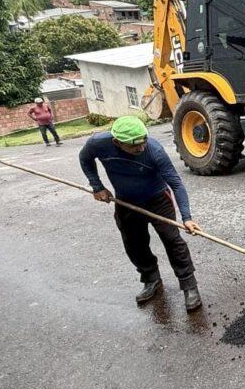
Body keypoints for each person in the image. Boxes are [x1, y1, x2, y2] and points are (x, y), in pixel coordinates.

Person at [79, 116, 204, 311]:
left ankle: (189, 286)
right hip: (126, 201)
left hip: (158, 199)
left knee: (172, 240)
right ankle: (151, 278)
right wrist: (97, 186)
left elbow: (176, 183)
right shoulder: (97, 143)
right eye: (134, 145)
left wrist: (187, 218)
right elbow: (85, 159)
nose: (141, 147)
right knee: (133, 242)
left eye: (143, 140)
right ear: (117, 142)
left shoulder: (154, 151)